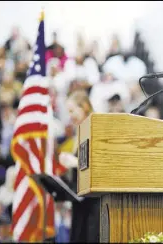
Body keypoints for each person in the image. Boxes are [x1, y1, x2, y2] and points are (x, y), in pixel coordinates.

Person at [58, 90, 100, 242]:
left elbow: (99, 163)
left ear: (84, 107)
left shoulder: (96, 128)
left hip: (93, 202)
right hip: (79, 200)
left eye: (72, 110)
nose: (70, 115)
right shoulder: (79, 131)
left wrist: (74, 162)